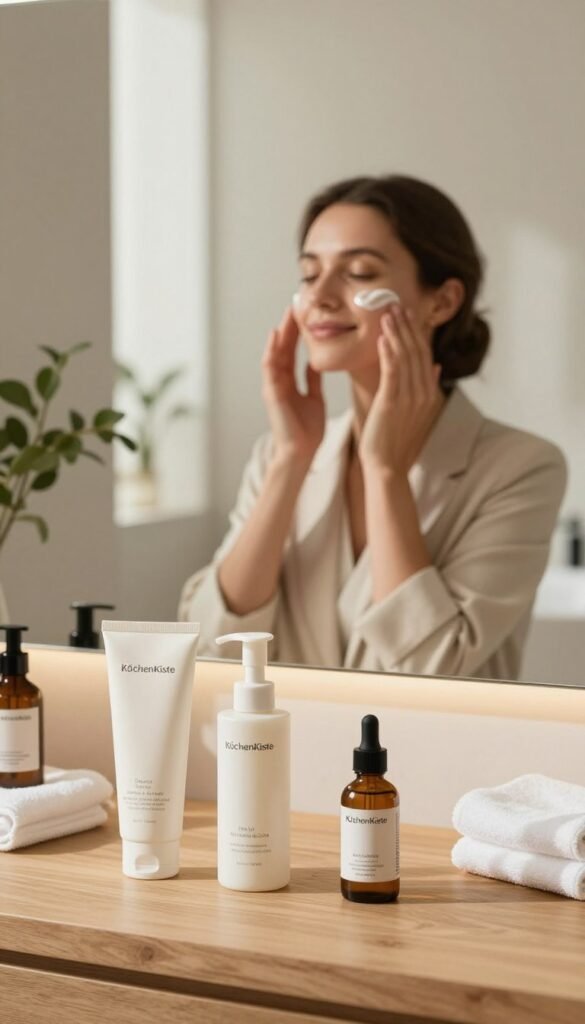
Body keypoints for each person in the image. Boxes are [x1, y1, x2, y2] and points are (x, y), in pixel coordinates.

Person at [179, 175, 566, 679]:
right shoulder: (283, 457)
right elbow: (212, 647)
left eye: (359, 273)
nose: (320, 296)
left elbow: (436, 666)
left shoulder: (520, 468)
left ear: (442, 302)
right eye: (308, 273)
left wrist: (386, 474)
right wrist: (290, 460)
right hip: (290, 753)